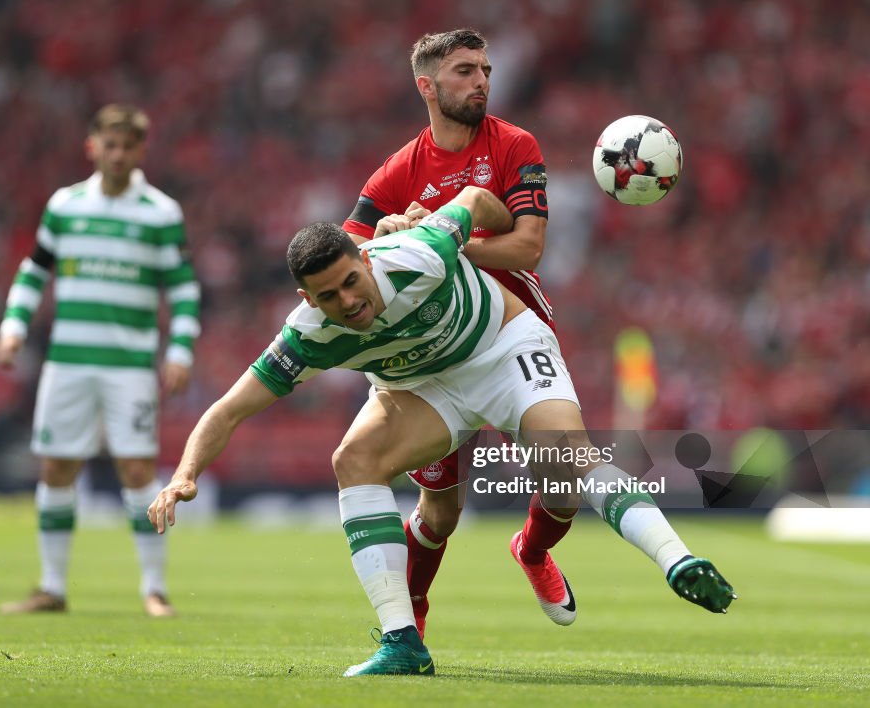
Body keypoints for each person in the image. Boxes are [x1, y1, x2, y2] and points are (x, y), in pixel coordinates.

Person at [148, 186, 736, 677]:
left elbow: (478, 198)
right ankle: (402, 642)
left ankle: (678, 562)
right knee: (355, 461)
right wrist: (183, 475)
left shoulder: (417, 251)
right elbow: (227, 409)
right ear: (307, 299)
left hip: (503, 350)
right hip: (425, 389)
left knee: (565, 461)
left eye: (352, 281)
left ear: (365, 255)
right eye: (328, 297)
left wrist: (460, 222)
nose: (349, 301)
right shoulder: (308, 334)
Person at [341, 29, 572, 637]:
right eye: (466, 70)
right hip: (433, 357)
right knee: (440, 512)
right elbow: (347, 261)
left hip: (509, 333)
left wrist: (436, 241)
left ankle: (532, 549)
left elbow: (529, 246)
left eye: (486, 69)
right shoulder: (397, 172)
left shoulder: (514, 143)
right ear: (428, 86)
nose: (482, 81)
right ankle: (410, 614)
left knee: (562, 473)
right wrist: (390, 233)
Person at [0, 104, 200, 618]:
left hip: (129, 365)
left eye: (128, 146)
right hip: (67, 362)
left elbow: (184, 289)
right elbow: (32, 272)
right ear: (93, 147)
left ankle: (154, 589)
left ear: (140, 151)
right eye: (110, 144)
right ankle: (51, 588)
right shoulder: (64, 206)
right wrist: (13, 327)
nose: (118, 154)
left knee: (135, 468)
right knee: (58, 466)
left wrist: (179, 350)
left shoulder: (159, 212)